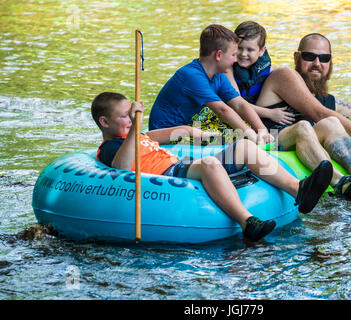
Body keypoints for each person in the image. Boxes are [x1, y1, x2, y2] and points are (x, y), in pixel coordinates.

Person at [91, 92, 334, 242]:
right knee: (209, 163)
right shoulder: (111, 146)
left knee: (245, 147)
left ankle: (298, 190)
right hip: (169, 176)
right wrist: (135, 127)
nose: (131, 120)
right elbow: (122, 168)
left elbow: (165, 134)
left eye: (132, 116)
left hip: (181, 164)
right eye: (125, 116)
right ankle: (247, 222)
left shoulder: (138, 134)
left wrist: (191, 131)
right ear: (104, 122)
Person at [226, 23, 351, 198]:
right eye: (310, 56)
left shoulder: (328, 100)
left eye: (324, 58)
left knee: (331, 122)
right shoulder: (284, 76)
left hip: (293, 138)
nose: (317, 63)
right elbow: (318, 113)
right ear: (297, 58)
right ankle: (339, 182)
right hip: (270, 138)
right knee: (304, 126)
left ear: (330, 62)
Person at [148, 24, 274, 145]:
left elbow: (239, 104)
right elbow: (222, 110)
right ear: (219, 55)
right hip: (171, 135)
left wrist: (261, 130)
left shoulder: (218, 75)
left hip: (194, 124)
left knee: (241, 122)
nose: (236, 59)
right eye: (233, 55)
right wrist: (250, 135)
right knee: (239, 136)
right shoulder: (191, 75)